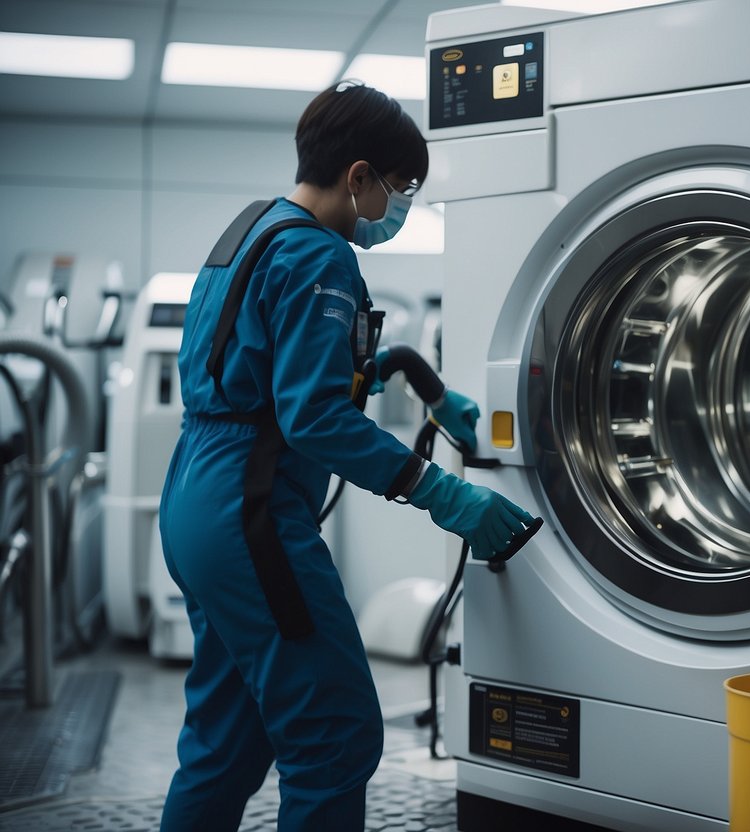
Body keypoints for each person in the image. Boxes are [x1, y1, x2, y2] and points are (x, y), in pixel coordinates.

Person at [157, 81, 533, 831]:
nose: (400, 206)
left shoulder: (251, 233)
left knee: (224, 742)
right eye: (400, 188)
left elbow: (260, 369)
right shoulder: (321, 256)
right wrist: (445, 495)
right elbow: (312, 417)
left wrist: (418, 379)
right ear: (358, 176)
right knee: (336, 737)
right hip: (250, 513)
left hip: (195, 498)